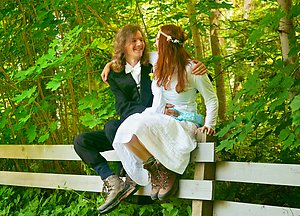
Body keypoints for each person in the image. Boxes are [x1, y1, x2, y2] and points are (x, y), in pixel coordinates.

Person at [74, 24, 207, 214]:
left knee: (113, 127)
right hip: (131, 125)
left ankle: (139, 176)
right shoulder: (114, 73)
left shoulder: (154, 62)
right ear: (123, 46)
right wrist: (111, 63)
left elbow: (179, 58)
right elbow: (123, 107)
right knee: (84, 140)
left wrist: (200, 66)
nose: (140, 44)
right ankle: (114, 181)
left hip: (154, 125)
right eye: (134, 41)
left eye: (141, 40)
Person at [111, 24, 218, 202]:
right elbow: (131, 57)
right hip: (162, 116)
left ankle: (167, 171)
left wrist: (209, 124)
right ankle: (157, 169)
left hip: (183, 121)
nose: (151, 43)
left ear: (164, 44)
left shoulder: (191, 69)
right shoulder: (158, 61)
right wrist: (110, 64)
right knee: (126, 132)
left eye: (156, 40)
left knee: (139, 126)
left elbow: (211, 99)